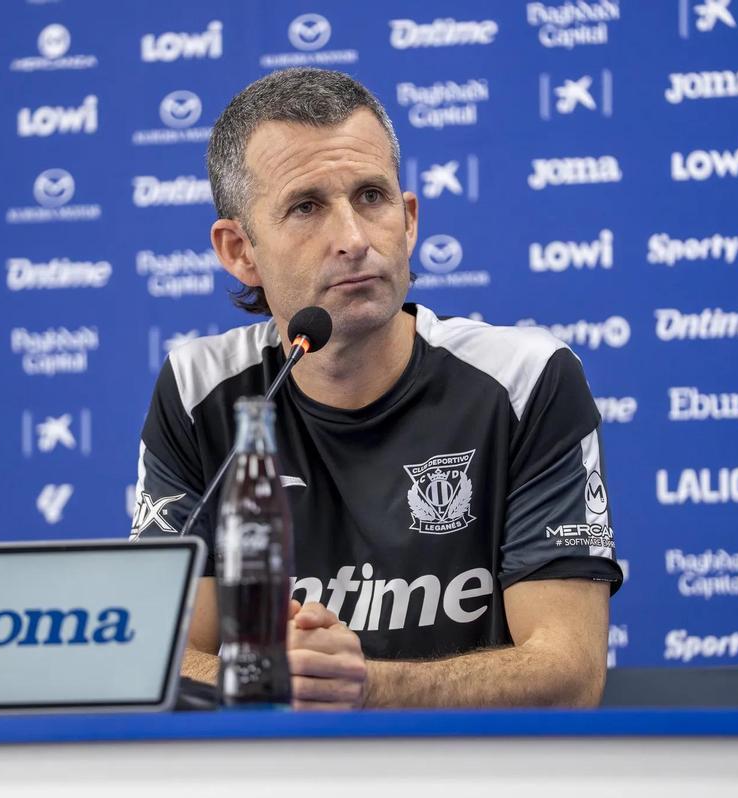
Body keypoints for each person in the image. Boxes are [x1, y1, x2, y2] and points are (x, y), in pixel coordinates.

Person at [132, 68, 622, 710]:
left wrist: (362, 685)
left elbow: (570, 675)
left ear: (409, 220)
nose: (354, 240)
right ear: (239, 250)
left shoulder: (527, 380)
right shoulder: (199, 391)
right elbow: (156, 654)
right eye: (306, 207)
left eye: (371, 196)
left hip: (466, 760)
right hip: (273, 762)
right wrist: (276, 677)